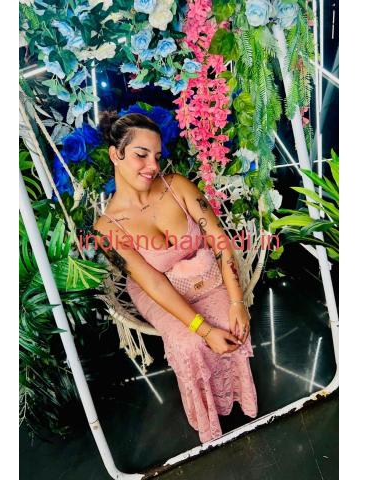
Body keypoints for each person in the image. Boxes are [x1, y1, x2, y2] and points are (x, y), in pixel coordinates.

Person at [93, 111, 258, 443]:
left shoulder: (177, 186)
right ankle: (208, 420)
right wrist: (203, 328)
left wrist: (237, 302)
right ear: (115, 154)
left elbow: (219, 240)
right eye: (141, 155)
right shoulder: (107, 228)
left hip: (201, 271)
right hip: (158, 291)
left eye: (156, 156)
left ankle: (240, 399)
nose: (152, 166)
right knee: (191, 342)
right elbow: (154, 282)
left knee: (232, 324)